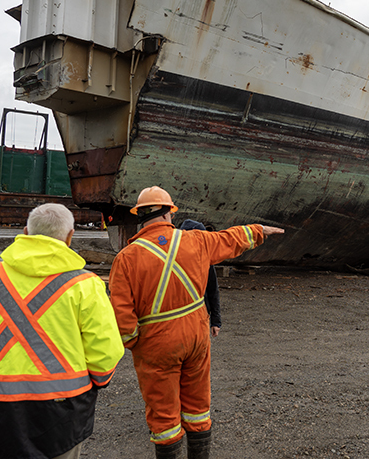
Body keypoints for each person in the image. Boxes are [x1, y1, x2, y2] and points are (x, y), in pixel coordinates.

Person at [108, 186, 284, 459]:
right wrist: (259, 230)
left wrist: (133, 341)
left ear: (140, 217)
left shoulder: (126, 258)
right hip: (196, 334)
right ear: (169, 213)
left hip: (157, 342)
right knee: (198, 406)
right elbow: (231, 238)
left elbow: (121, 311)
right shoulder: (196, 241)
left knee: (164, 417)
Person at [0, 203, 124, 459]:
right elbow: (105, 351)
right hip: (63, 411)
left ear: (25, 231)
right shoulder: (86, 285)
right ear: (70, 236)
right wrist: (98, 380)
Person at [179, 220, 221, 337]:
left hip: (200, 316)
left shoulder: (205, 260)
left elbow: (213, 289)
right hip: (178, 318)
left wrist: (216, 321)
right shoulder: (173, 260)